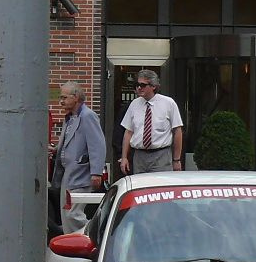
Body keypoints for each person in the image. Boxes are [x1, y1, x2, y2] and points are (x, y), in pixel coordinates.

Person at [51, 81, 106, 233]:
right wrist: (57, 150)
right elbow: (69, 142)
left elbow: (98, 145)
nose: (61, 101)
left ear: (75, 97)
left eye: (64, 97)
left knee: (73, 214)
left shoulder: (88, 116)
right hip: (67, 174)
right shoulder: (70, 118)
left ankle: (94, 234)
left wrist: (96, 172)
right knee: (66, 213)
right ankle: (72, 241)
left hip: (80, 174)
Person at [118, 69, 183, 175]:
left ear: (153, 86)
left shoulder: (168, 103)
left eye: (143, 85)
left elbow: (178, 131)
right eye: (137, 85)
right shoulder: (134, 104)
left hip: (161, 154)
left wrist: (176, 159)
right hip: (139, 155)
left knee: (160, 187)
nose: (139, 88)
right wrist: (124, 157)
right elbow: (128, 132)